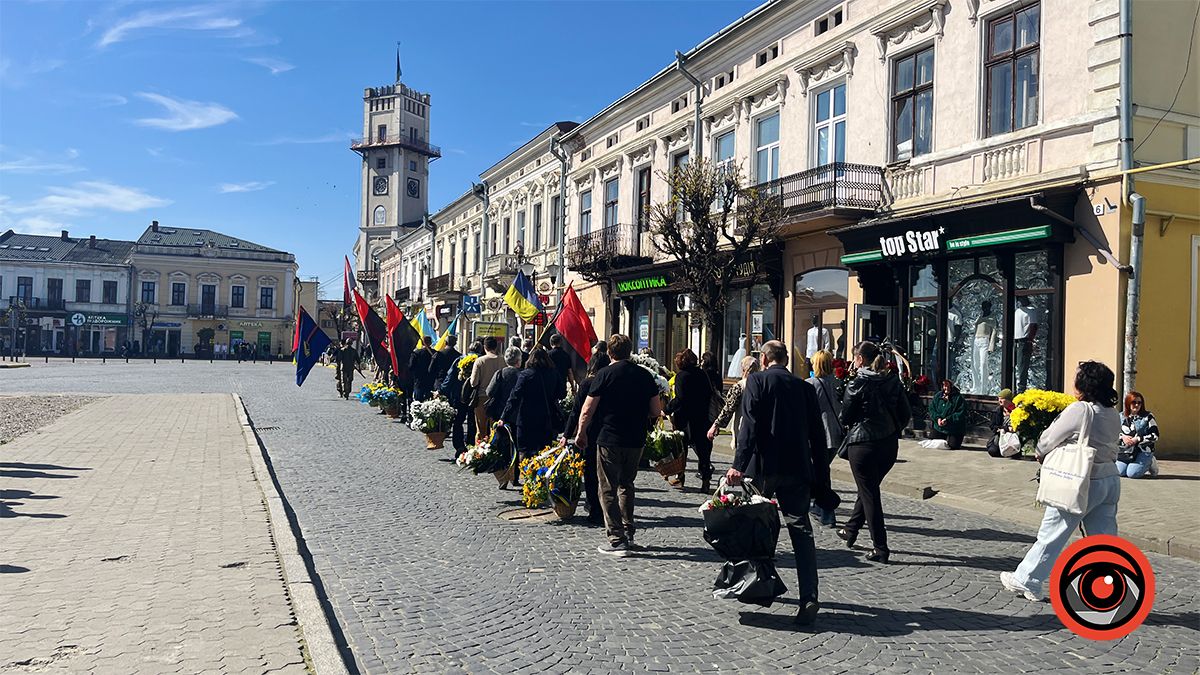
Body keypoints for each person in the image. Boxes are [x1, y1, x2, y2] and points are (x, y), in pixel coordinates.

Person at [725, 340, 828, 626]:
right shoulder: (805, 388)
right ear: (786, 360)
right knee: (801, 531)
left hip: (764, 468)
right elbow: (818, 437)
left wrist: (738, 465)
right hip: (797, 469)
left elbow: (749, 427)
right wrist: (822, 478)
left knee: (758, 528)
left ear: (764, 358)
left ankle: (758, 585)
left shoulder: (757, 381)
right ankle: (809, 596)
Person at [1001, 361, 1123, 602]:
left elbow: (1048, 439)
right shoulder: (1112, 413)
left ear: (1084, 384)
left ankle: (1028, 578)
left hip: (1080, 480)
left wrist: (1039, 450)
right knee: (1104, 539)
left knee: (1053, 533)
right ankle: (1110, 587)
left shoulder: (1080, 410)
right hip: (1109, 479)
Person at [574, 334, 663, 557]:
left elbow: (587, 409)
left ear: (610, 353)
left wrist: (581, 432)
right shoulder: (644, 375)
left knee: (607, 488)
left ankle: (616, 539)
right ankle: (628, 531)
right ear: (629, 351)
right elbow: (656, 410)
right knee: (627, 485)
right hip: (635, 439)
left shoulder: (604, 374)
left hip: (609, 437)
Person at [837, 341, 911, 564]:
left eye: (854, 357)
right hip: (888, 444)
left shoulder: (857, 383)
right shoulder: (892, 381)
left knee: (869, 494)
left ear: (860, 359)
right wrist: (892, 429)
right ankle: (851, 529)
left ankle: (880, 547)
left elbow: (845, 417)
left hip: (863, 444)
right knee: (868, 489)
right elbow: (905, 413)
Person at [501, 348, 567, 486]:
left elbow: (514, 397)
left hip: (526, 418)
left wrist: (504, 417)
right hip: (546, 417)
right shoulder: (553, 373)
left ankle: (528, 480)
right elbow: (562, 393)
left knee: (525, 451)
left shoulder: (525, 375)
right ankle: (541, 480)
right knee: (544, 450)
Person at [566, 353, 612, 524]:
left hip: (589, 431)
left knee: (591, 472)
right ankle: (605, 508)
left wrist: (567, 434)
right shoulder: (610, 382)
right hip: (608, 431)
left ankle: (594, 509)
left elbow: (577, 411)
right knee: (606, 473)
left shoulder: (587, 383)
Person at [665, 349, 717, 492]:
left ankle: (680, 476)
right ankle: (705, 480)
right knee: (703, 451)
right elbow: (709, 393)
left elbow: (680, 398)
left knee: (681, 450)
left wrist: (667, 409)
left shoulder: (682, 376)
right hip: (702, 417)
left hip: (685, 419)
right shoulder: (702, 374)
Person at [806, 350, 843, 528]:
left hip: (818, 434)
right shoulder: (838, 383)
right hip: (836, 433)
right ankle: (818, 506)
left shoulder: (811, 384)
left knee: (818, 474)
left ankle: (827, 512)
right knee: (821, 471)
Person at [441, 340, 483, 456]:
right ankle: (471, 444)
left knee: (458, 421)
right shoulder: (481, 361)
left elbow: (450, 377)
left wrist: (442, 391)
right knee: (472, 421)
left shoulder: (460, 360)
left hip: (459, 395)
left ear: (469, 349)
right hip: (475, 396)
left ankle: (459, 446)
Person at [707, 355, 760, 442]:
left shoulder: (739, 386)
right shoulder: (763, 384)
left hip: (743, 429)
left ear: (744, 369)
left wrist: (715, 425)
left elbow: (729, 408)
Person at [1118, 391, 1160, 478]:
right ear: (1128, 403)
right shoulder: (1121, 416)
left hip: (1143, 451)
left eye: (1139, 403)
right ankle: (1130, 464)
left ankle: (1150, 461)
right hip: (1126, 452)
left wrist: (1138, 439)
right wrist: (1122, 437)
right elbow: (1112, 433)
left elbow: (1155, 435)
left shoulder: (1148, 417)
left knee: (1132, 474)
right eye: (1134, 402)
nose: (1137, 405)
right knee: (1119, 472)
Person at [469, 337, 505, 436]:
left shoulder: (480, 361)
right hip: (498, 398)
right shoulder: (503, 360)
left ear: (484, 347)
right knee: (495, 429)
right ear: (496, 347)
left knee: (481, 430)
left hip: (482, 397)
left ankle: (481, 445)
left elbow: (473, 382)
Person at [486, 347, 524, 424]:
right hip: (518, 414)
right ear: (518, 360)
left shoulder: (500, 373)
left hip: (500, 412)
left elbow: (489, 392)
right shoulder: (523, 375)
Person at [925, 380, 967, 450]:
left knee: (953, 446)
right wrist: (938, 418)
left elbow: (961, 413)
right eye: (945, 386)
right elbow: (932, 409)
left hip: (954, 428)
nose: (946, 388)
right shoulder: (938, 396)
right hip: (939, 426)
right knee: (933, 443)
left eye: (948, 386)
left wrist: (947, 420)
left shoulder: (959, 398)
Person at [986, 388, 1019, 458]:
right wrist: (1005, 429)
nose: (999, 400)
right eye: (998, 398)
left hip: (1013, 437)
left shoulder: (1016, 411)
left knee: (1014, 452)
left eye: (1002, 399)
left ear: (1008, 400)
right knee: (993, 451)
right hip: (1000, 436)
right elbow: (992, 426)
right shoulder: (998, 411)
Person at [409, 336, 437, 401]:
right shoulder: (435, 353)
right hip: (431, 379)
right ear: (431, 342)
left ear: (422, 343)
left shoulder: (416, 353)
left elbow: (411, 366)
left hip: (419, 379)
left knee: (418, 399)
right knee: (430, 399)